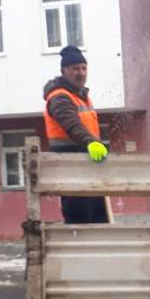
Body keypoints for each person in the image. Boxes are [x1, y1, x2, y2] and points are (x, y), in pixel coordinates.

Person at [42, 45, 110, 224]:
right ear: (64, 71)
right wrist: (91, 143)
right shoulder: (59, 97)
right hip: (70, 167)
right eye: (75, 69)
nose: (81, 73)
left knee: (99, 219)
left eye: (84, 68)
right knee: (79, 220)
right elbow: (72, 125)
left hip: (90, 165)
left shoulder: (82, 97)